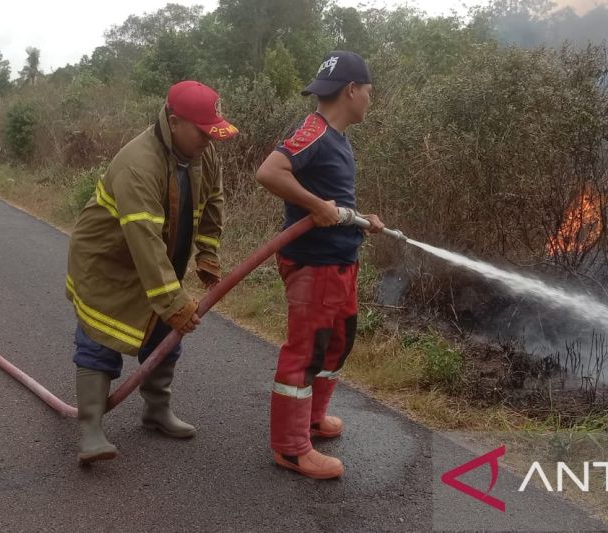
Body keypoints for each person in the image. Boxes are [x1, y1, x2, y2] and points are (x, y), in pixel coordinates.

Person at [66, 80, 238, 464]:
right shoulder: (137, 164)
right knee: (101, 337)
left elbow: (214, 200)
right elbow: (142, 236)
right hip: (108, 262)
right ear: (174, 123)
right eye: (203, 132)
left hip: (157, 259)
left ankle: (156, 411)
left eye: (214, 132)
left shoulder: (202, 153)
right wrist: (173, 299)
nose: (210, 141)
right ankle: (91, 429)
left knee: (166, 333)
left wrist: (207, 252)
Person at [255, 51, 385, 479]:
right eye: (368, 91)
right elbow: (270, 173)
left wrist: (362, 219)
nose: (370, 99)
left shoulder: (338, 137)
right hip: (314, 266)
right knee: (305, 353)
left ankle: (311, 420)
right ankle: (291, 449)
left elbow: (334, 202)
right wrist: (314, 206)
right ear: (351, 90)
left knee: (337, 344)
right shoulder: (313, 131)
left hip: (340, 263)